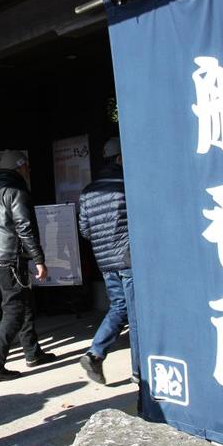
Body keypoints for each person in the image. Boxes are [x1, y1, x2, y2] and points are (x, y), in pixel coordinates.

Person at [0, 150, 57, 383]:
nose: (29, 170)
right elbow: (25, 228)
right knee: (13, 311)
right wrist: (39, 260)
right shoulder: (16, 190)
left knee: (24, 306)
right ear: (19, 166)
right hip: (9, 259)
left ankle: (33, 353)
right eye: (26, 165)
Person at [78, 137, 139, 386]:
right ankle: (140, 372)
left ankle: (95, 354)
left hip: (105, 261)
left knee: (119, 307)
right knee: (136, 316)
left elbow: (85, 230)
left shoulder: (88, 191)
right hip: (128, 258)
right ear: (121, 158)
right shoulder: (127, 184)